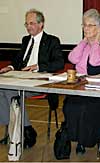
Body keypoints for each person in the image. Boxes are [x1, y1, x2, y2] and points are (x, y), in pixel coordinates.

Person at [0, 9, 64, 148]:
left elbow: (59, 63)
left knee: (11, 92)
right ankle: (19, 128)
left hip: (40, 82)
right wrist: (10, 67)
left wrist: (38, 66)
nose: (29, 27)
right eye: (26, 24)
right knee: (2, 90)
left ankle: (23, 130)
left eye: (32, 23)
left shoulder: (52, 41)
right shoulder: (25, 40)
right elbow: (18, 60)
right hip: (22, 79)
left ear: (41, 24)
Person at [62, 9, 100, 155]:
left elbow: (94, 62)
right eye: (84, 25)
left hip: (99, 91)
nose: (86, 28)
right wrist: (84, 42)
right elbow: (72, 58)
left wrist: (96, 42)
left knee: (87, 109)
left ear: (99, 28)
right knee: (70, 106)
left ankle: (94, 137)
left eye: (90, 25)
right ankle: (78, 139)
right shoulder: (84, 43)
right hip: (81, 87)